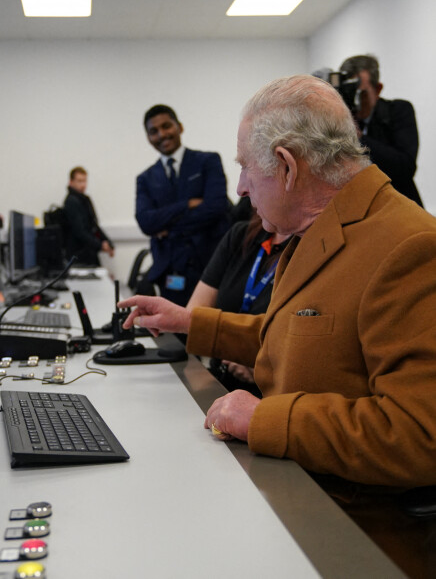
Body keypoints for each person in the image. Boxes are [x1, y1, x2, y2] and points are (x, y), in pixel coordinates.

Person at [119, 75, 436, 488]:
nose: (241, 188)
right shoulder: (320, 228)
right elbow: (301, 338)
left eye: (246, 168)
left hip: (347, 522)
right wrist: (190, 322)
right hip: (295, 482)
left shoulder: (410, 246)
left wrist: (263, 419)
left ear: (287, 167)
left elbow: (419, 435)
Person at [136, 105, 230, 306]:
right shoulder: (145, 179)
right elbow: (145, 222)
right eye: (154, 131)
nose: (162, 134)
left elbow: (216, 207)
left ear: (179, 127)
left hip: (210, 266)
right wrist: (186, 205)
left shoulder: (207, 162)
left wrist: (166, 227)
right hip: (170, 271)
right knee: (174, 334)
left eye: (166, 126)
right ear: (148, 137)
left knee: (209, 331)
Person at [187, 213, 291, 395]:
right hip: (221, 381)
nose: (241, 190)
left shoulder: (309, 248)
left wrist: (257, 363)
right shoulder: (241, 235)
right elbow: (195, 315)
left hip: (271, 395)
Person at [339, 54, 423, 207]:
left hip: (399, 209)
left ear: (378, 89)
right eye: (349, 93)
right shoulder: (336, 124)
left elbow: (405, 168)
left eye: (361, 94)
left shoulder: (397, 111)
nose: (355, 102)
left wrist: (357, 137)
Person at [62, 166, 114, 266]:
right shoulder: (71, 202)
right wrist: (100, 245)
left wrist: (107, 242)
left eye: (85, 181)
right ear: (71, 182)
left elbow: (94, 225)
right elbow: (80, 231)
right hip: (78, 254)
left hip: (88, 252)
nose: (83, 184)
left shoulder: (85, 200)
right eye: (79, 181)